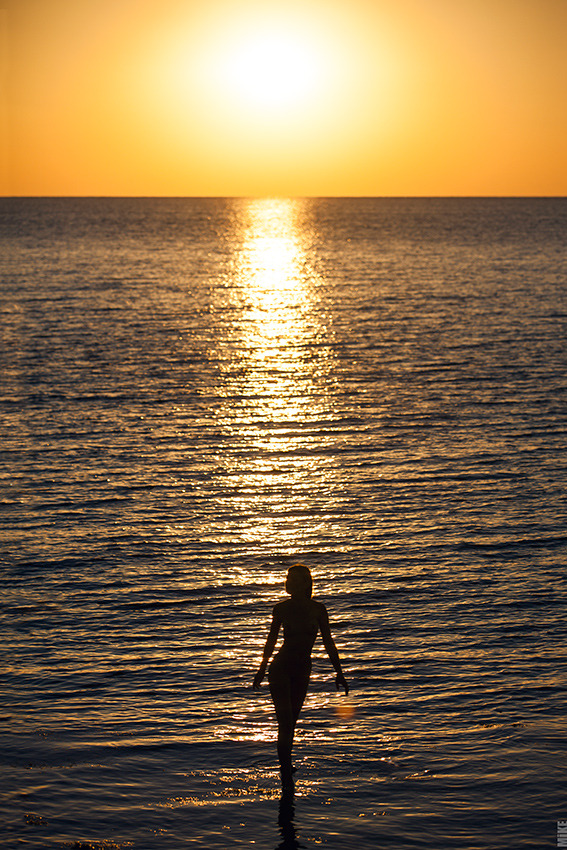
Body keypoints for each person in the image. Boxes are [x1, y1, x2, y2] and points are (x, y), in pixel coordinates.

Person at [253, 564, 349, 795]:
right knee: (285, 722)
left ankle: (286, 771)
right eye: (290, 579)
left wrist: (339, 672)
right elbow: (271, 641)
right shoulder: (281, 609)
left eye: (297, 580)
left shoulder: (318, 609)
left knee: (291, 723)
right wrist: (261, 669)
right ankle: (286, 773)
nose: (292, 583)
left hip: (303, 668)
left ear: (307, 583)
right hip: (281, 668)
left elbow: (328, 642)